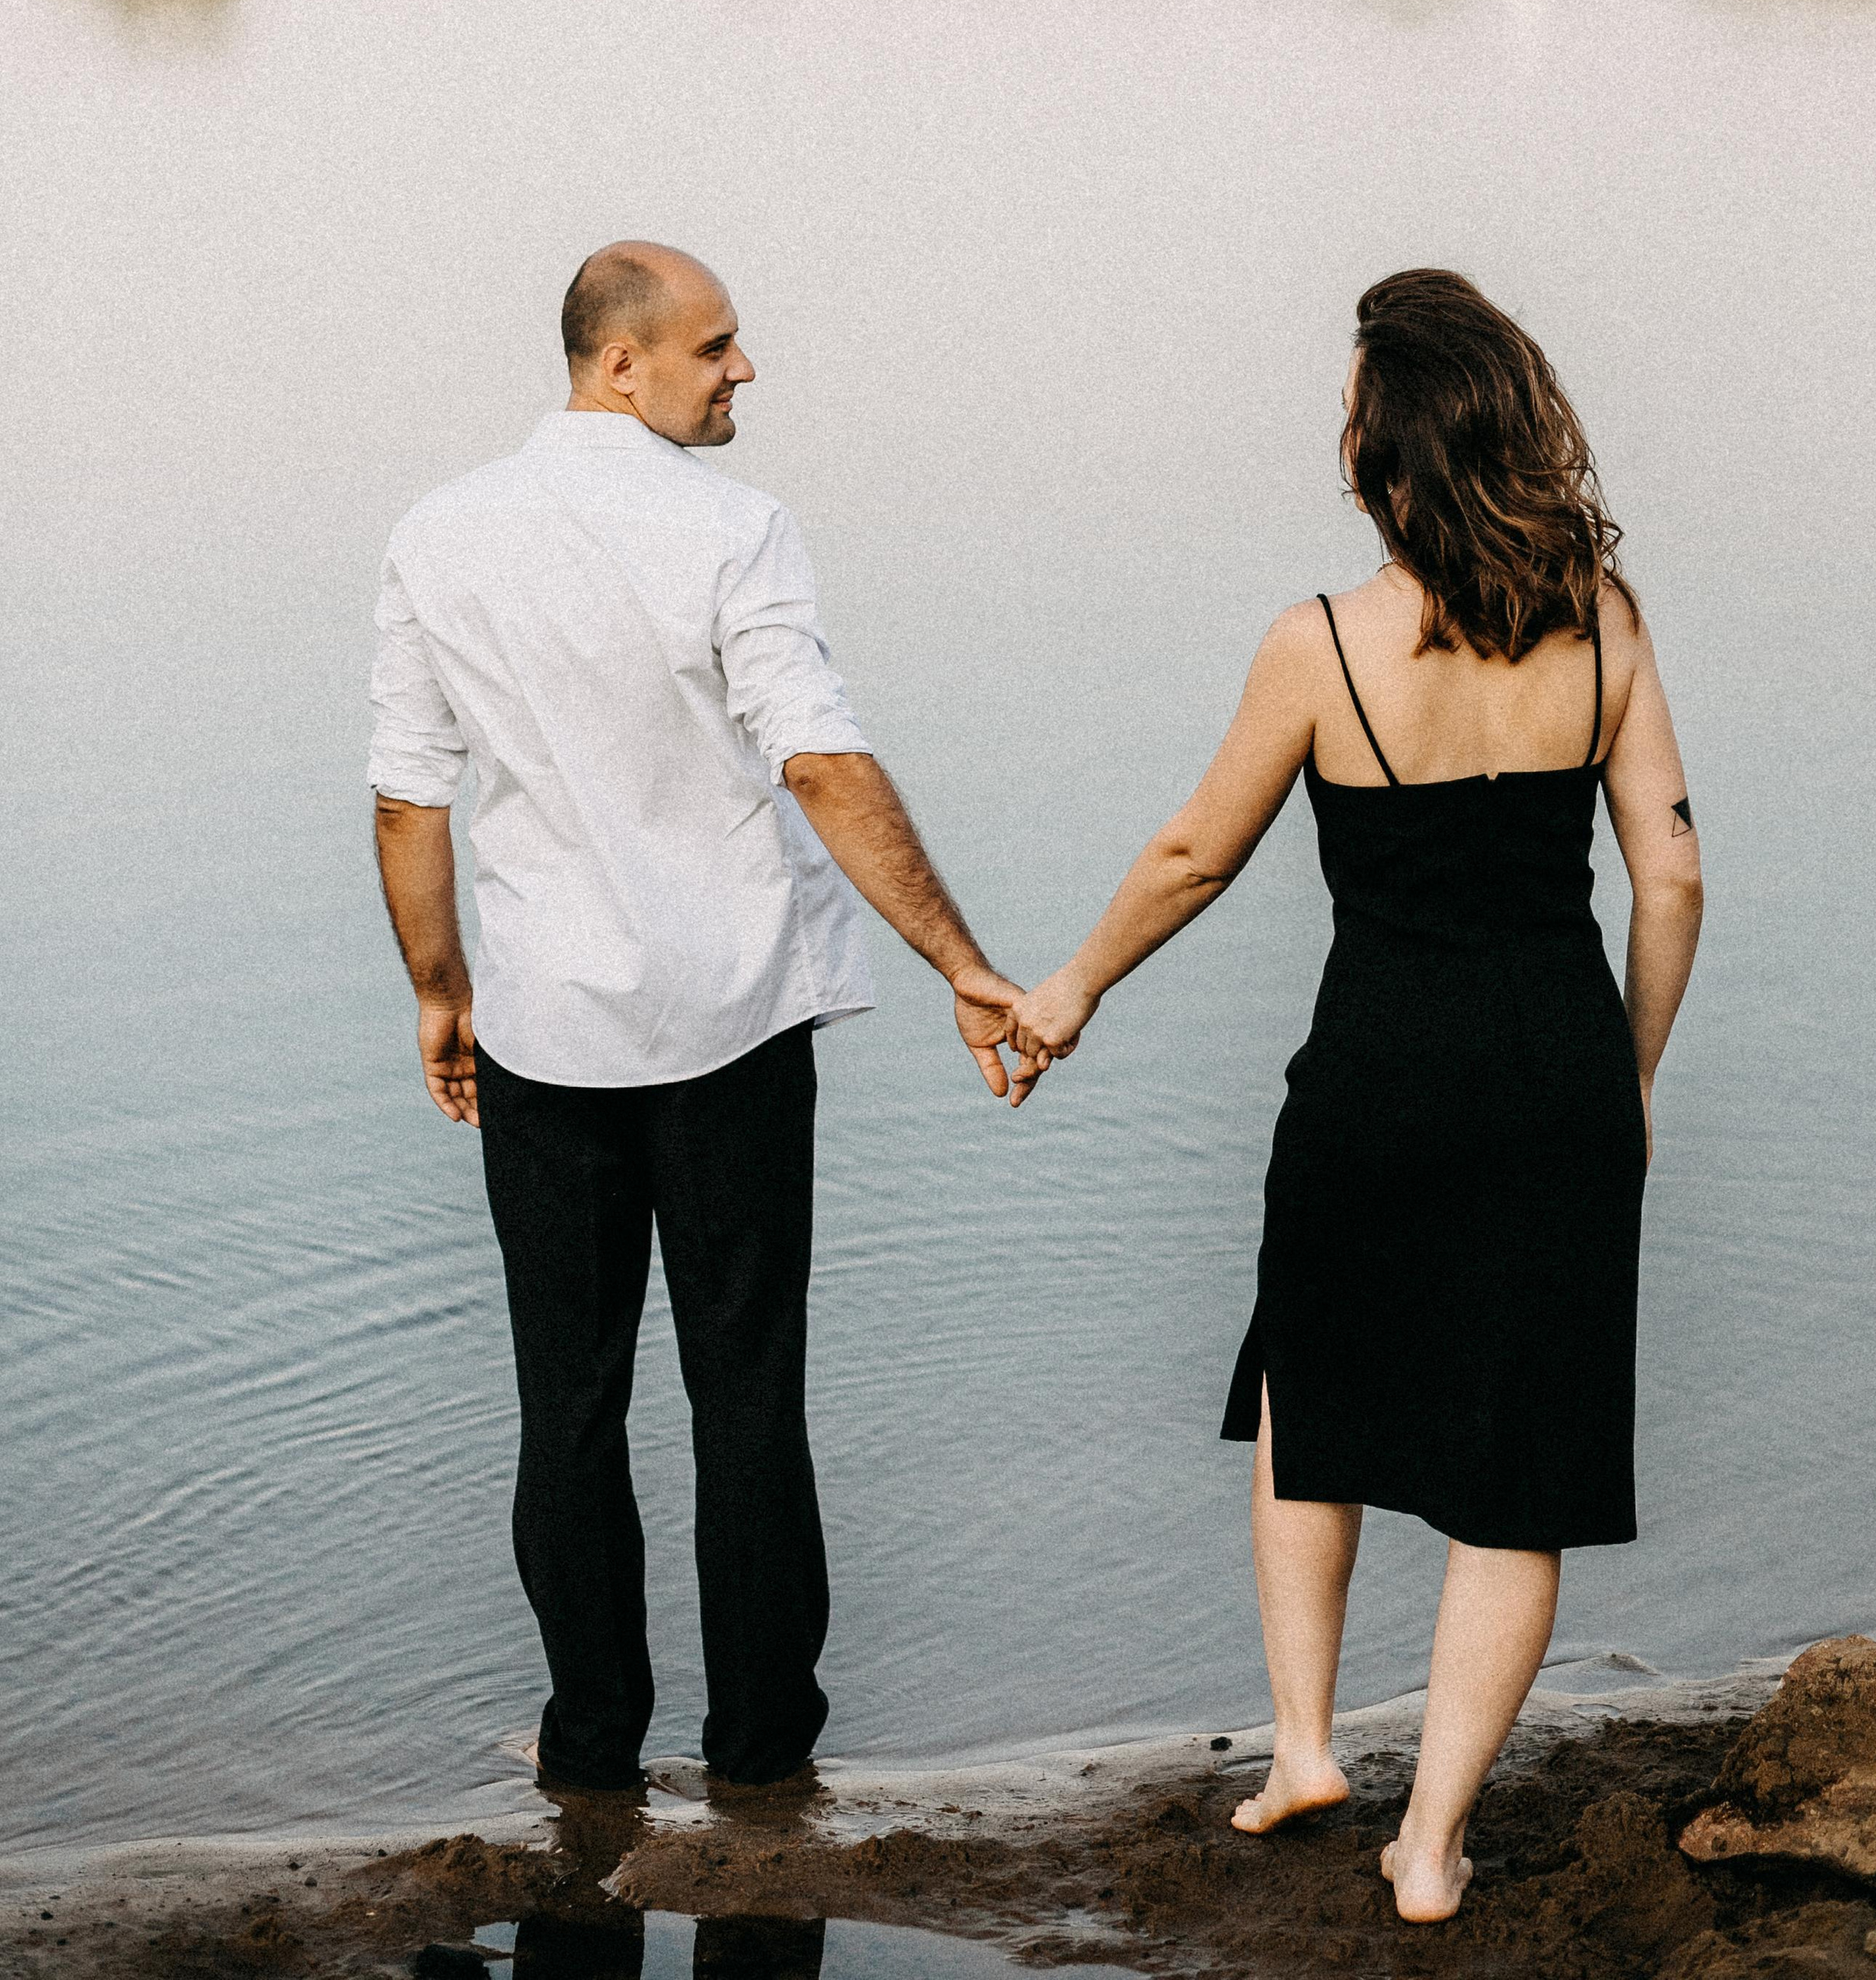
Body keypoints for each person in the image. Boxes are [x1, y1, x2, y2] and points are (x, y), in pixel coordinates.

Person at [1009, 268, 1701, 1924]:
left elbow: (1193, 856)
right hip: (1551, 1073)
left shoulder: (1315, 646)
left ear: (1382, 464)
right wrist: (1628, 1079)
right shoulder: (1601, 623)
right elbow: (1666, 878)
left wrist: (1066, 991)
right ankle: (1432, 1843)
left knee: (1308, 1393)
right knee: (1514, 1468)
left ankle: (1308, 1747)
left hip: (1374, 1079)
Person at [368, 242, 1033, 1797]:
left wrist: (437, 989)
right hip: (734, 1025)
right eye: (716, 346)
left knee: (567, 1402)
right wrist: (955, 957)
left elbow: (410, 793)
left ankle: (591, 1748)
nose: (742, 371)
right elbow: (817, 759)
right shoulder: (737, 533)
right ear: (623, 364)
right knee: (746, 1395)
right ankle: (757, 1755)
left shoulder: (439, 535)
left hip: (542, 1030)